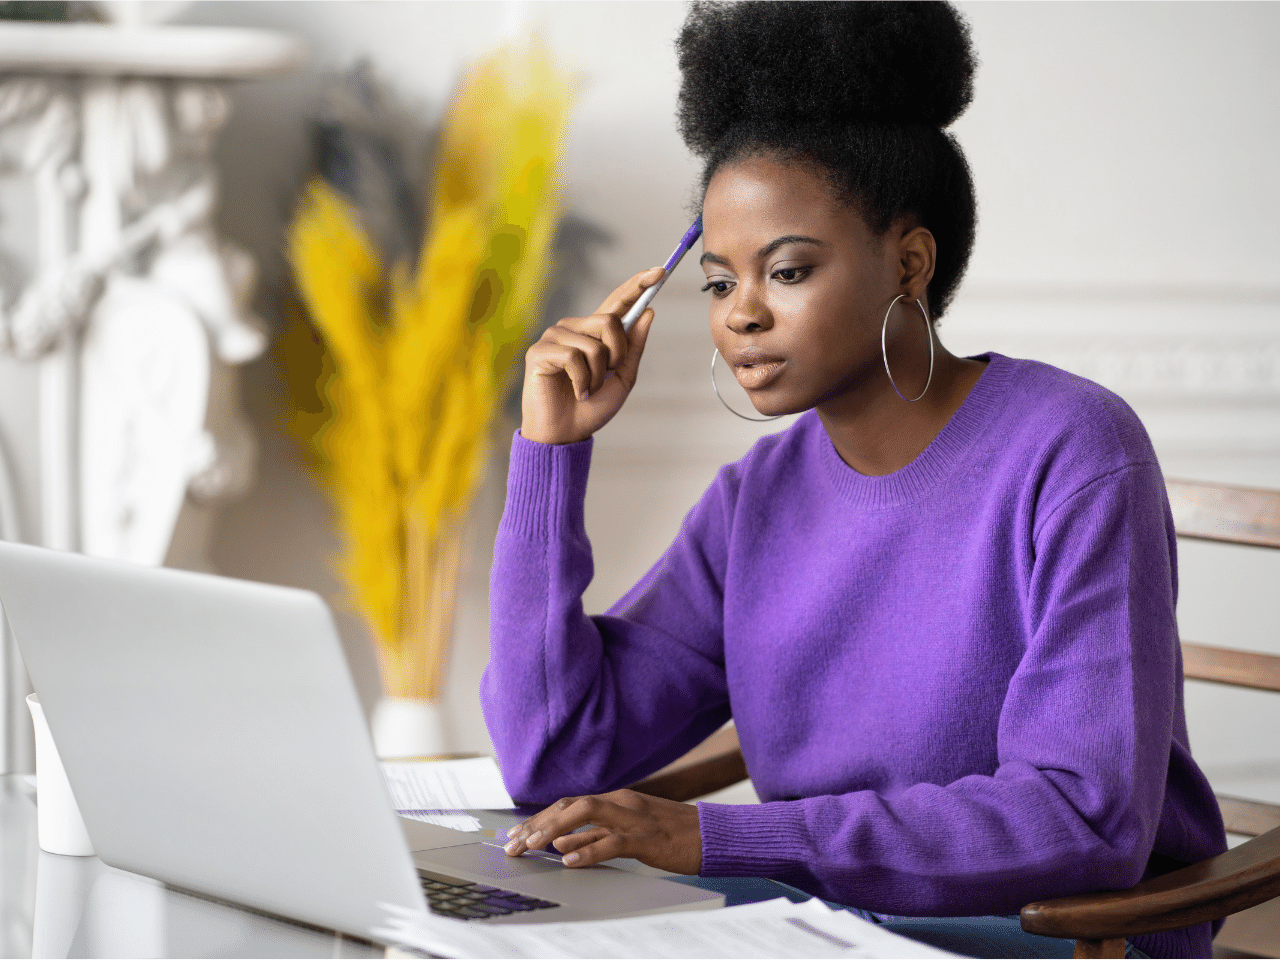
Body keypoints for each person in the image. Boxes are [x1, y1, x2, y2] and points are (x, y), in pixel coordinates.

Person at [481, 3, 1227, 957]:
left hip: (1054, 936)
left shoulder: (1073, 449)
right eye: (717, 282)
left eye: (785, 271)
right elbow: (554, 754)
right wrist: (550, 454)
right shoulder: (759, 497)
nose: (741, 315)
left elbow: (1081, 818)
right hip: (820, 931)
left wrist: (715, 838)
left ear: (908, 262)